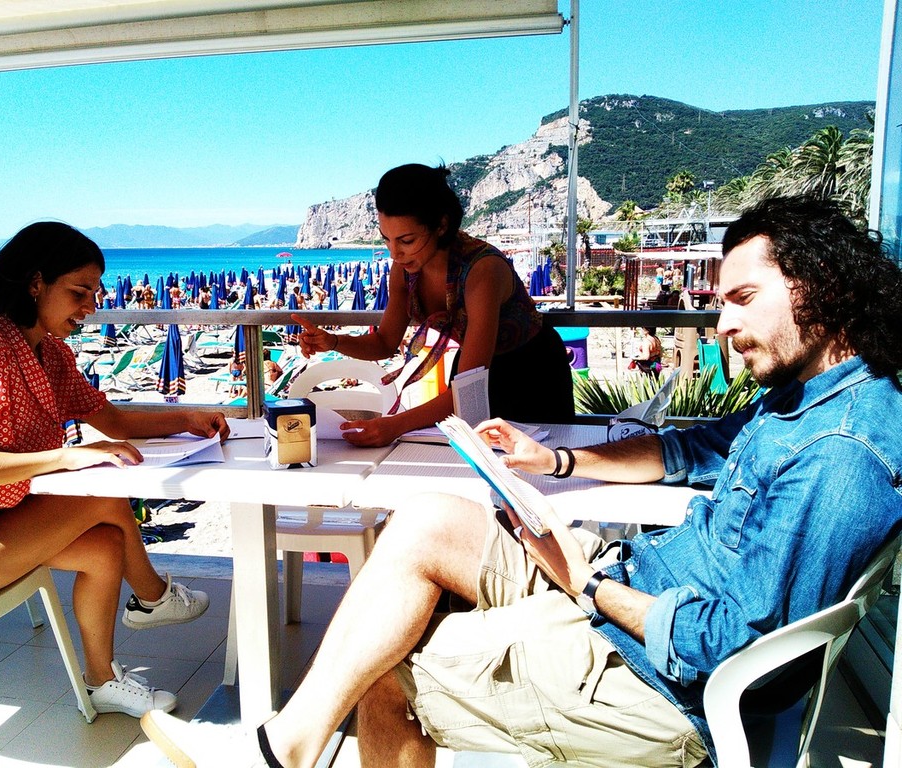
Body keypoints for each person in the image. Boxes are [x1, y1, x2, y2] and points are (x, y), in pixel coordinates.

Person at [141, 195, 902, 767]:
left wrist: (587, 584)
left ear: (821, 287)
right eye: (720, 304)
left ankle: (281, 749)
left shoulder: (840, 453)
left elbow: (731, 648)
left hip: (657, 675)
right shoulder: (804, 401)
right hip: (637, 583)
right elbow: (691, 448)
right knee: (428, 514)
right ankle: (288, 745)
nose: (724, 326)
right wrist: (557, 461)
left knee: (381, 661)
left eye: (742, 300)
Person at [0, 222, 231, 719]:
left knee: (105, 547)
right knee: (103, 495)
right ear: (35, 282)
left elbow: (112, 420)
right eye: (79, 292)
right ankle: (153, 597)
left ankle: (103, 679)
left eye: (95, 293)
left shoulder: (48, 352)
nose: (91, 307)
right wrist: (67, 456)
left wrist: (187, 419)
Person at [293, 163, 574, 447]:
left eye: (406, 240)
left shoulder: (482, 269)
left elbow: (467, 391)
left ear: (441, 225)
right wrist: (332, 341)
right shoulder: (404, 271)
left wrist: (395, 425)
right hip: (469, 373)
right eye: (387, 240)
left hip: (532, 373)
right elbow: (385, 342)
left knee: (541, 459)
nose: (395, 253)